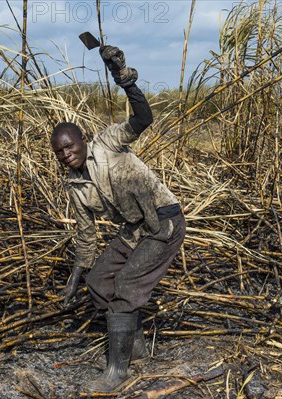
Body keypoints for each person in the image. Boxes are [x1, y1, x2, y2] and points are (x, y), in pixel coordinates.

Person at [50, 45, 186, 393]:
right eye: (60, 152)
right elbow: (85, 234)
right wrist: (78, 273)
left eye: (70, 146)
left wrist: (123, 80)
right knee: (99, 282)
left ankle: (117, 373)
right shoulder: (75, 185)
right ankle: (136, 350)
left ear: (82, 139)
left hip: (163, 220)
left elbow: (143, 119)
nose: (67, 155)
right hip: (136, 230)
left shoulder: (107, 143)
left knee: (126, 286)